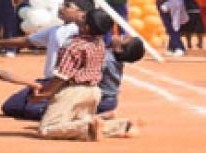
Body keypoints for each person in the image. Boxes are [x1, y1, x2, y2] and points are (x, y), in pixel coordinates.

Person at [31, 10, 139, 141]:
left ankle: (88, 126)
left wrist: (45, 93)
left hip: (73, 91)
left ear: (86, 27)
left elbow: (62, 75)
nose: (80, 15)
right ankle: (121, 126)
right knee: (74, 122)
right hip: (93, 92)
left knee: (46, 129)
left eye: (83, 17)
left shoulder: (75, 46)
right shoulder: (99, 43)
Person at [0, 0, 94, 118]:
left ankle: (72, 111)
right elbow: (27, 41)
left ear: (82, 13)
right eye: (62, 4)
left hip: (65, 82)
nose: (61, 8)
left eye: (67, 6)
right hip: (47, 81)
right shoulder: (56, 30)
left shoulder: (83, 32)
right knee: (11, 107)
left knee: (34, 111)